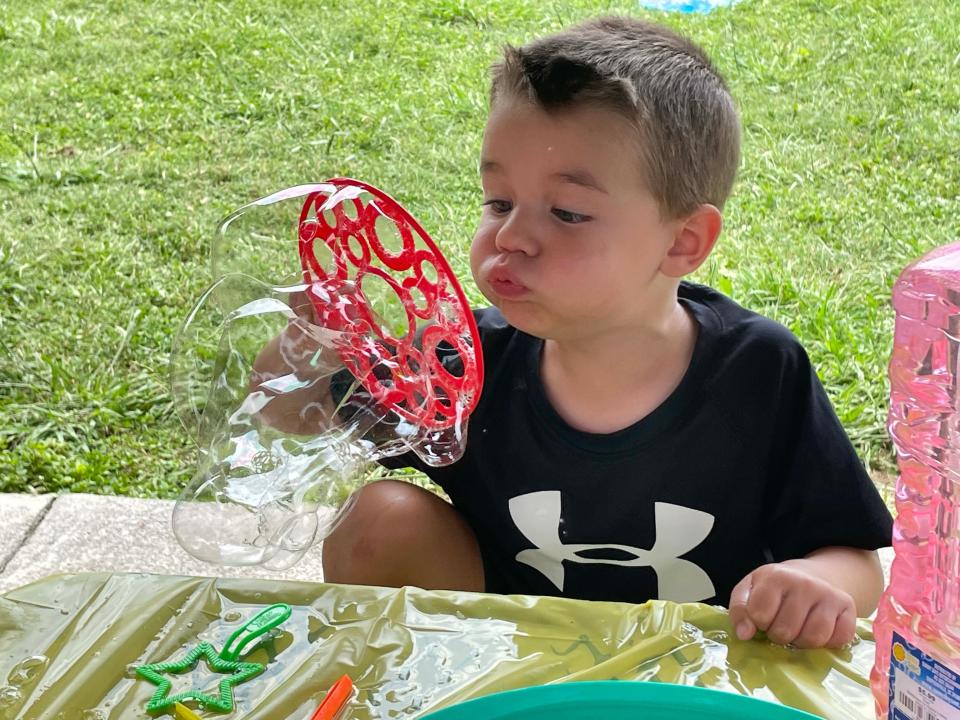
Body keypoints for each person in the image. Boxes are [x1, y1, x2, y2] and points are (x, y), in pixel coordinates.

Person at [318, 16, 893, 650]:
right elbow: (318, 406)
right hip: (508, 649)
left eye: (567, 213)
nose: (511, 237)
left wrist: (812, 582)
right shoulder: (466, 360)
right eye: (498, 202)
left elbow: (857, 559)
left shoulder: (757, 371)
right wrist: (300, 362)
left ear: (682, 242)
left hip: (704, 662)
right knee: (376, 520)